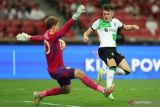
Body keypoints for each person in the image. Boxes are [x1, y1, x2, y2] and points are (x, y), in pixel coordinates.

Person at [16, 5, 114, 106]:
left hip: (54, 70)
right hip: (58, 70)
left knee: (66, 89)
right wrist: (76, 15)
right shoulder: (52, 36)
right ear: (53, 27)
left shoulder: (46, 35)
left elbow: (39, 38)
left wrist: (28, 37)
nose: (59, 27)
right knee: (80, 73)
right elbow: (64, 30)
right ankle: (104, 91)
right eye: (58, 25)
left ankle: (40, 94)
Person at [83, 4, 139, 100]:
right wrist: (85, 36)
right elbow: (87, 32)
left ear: (112, 14)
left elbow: (125, 27)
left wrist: (133, 26)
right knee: (112, 66)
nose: (105, 16)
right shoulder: (98, 22)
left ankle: (103, 71)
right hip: (104, 49)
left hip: (113, 49)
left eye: (108, 14)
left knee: (127, 71)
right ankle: (108, 92)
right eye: (104, 14)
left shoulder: (116, 22)